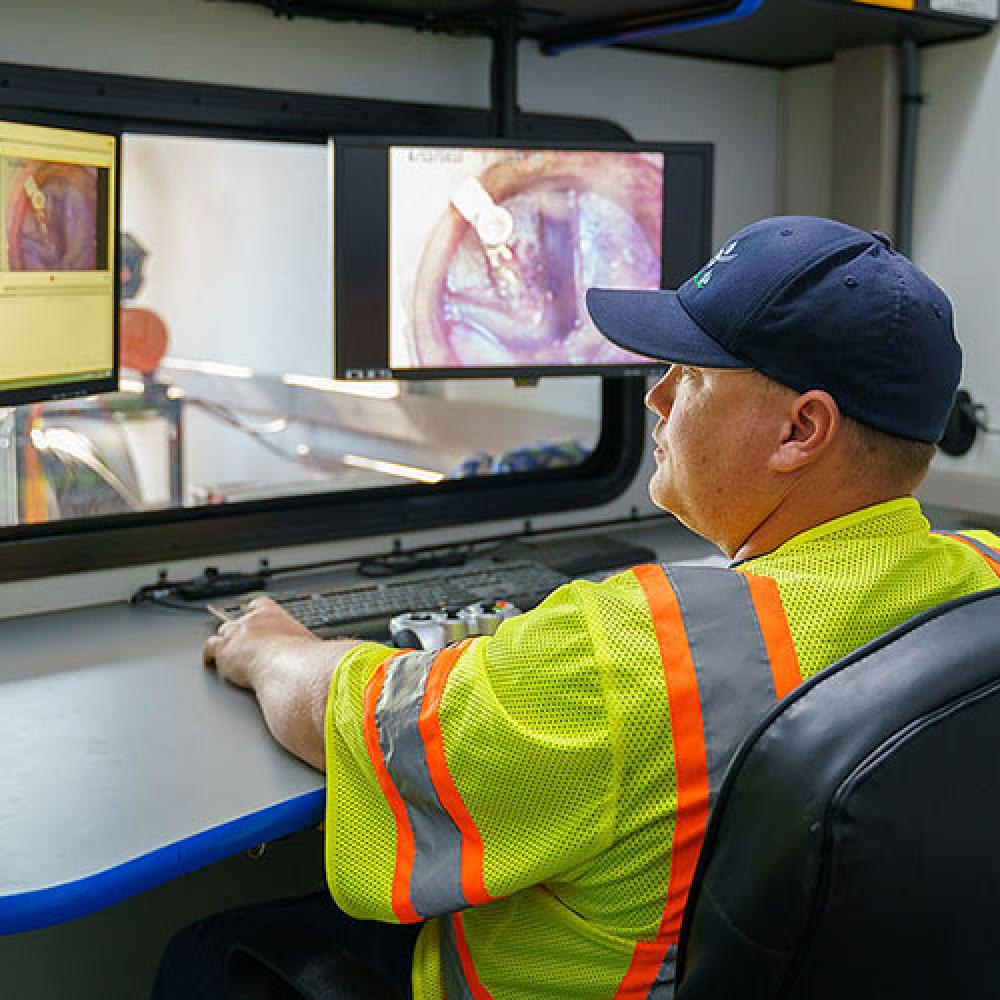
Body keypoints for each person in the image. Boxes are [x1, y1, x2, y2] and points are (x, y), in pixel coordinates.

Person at [155, 216, 1000, 1000]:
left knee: (203, 950)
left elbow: (372, 720)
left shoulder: (641, 648)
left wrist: (268, 646)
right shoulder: (983, 574)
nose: (655, 399)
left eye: (693, 376)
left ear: (799, 432)